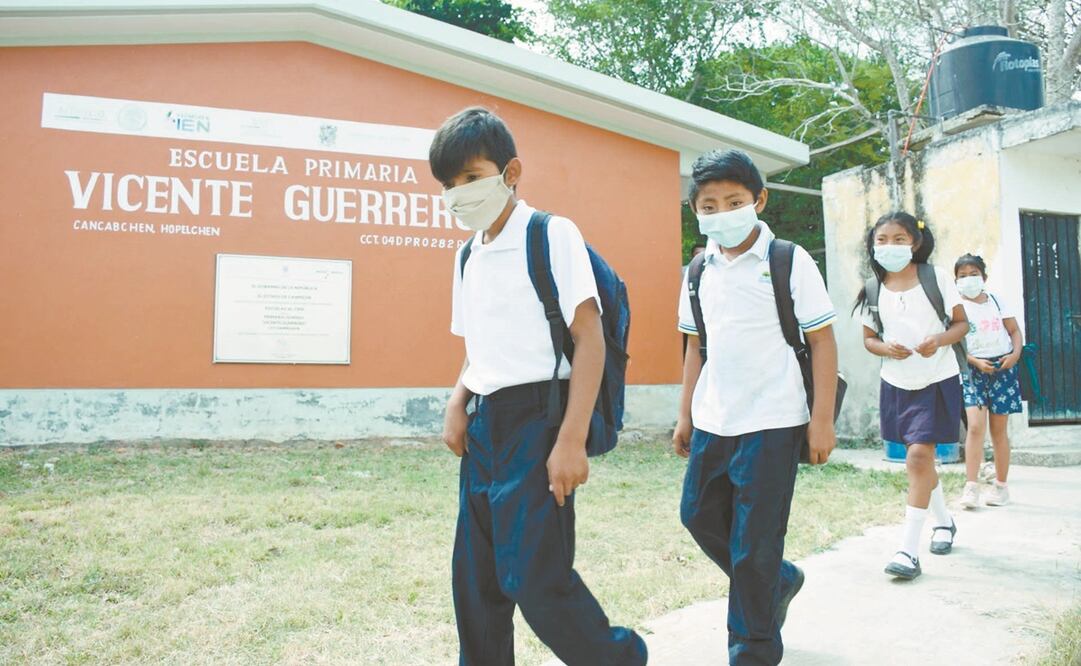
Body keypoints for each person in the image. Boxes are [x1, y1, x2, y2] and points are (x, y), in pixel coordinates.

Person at [433, 107, 647, 666]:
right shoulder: (466, 256)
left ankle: (619, 658)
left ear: (510, 172)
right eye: (450, 185)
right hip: (485, 425)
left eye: (472, 177)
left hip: (541, 416)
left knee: (534, 577)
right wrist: (458, 402)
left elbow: (589, 338)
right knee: (475, 582)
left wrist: (571, 440)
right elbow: (479, 345)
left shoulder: (549, 234)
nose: (460, 193)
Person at [673, 149, 839, 665]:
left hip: (774, 419)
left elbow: (824, 342)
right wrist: (685, 414)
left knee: (754, 545)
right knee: (697, 515)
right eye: (709, 204)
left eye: (734, 201)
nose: (721, 212)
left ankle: (753, 651)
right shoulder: (699, 269)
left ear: (759, 200)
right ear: (695, 210)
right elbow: (695, 347)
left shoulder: (788, 260)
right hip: (714, 420)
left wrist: (822, 421)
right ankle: (779, 579)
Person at [853, 213, 968, 580]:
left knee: (918, 457)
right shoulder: (873, 287)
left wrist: (939, 340)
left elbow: (962, 324)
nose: (889, 246)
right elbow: (869, 339)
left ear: (915, 242)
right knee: (920, 462)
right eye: (882, 239)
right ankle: (945, 522)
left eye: (899, 238)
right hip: (897, 383)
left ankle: (907, 550)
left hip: (937, 379)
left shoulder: (935, 279)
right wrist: (886, 348)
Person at [955, 253, 1023, 508]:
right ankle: (971, 486)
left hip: (1002, 369)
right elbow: (957, 345)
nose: (968, 280)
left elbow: (1014, 331)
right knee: (974, 427)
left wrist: (1015, 355)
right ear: (956, 280)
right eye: (962, 276)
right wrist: (974, 361)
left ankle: (1001, 486)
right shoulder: (957, 308)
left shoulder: (996, 301)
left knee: (998, 431)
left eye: (974, 274)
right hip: (974, 372)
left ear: (984, 277)